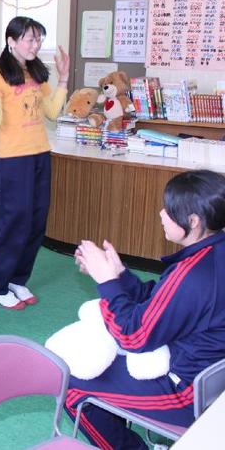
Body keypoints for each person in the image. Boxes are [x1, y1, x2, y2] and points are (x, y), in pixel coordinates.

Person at [67, 170, 225, 449]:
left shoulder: (192, 274)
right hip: (211, 383)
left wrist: (107, 283)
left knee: (71, 386)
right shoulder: (212, 254)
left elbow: (133, 336)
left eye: (169, 210)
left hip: (186, 394)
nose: (162, 214)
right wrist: (120, 276)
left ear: (193, 221)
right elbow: (161, 303)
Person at [0, 16, 70, 310]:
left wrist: (64, 78)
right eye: (29, 39)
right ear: (11, 41)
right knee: (14, 223)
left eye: (38, 39)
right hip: (12, 160)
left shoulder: (37, 72)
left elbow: (52, 111)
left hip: (40, 154)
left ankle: (17, 278)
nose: (35, 44)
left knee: (36, 222)